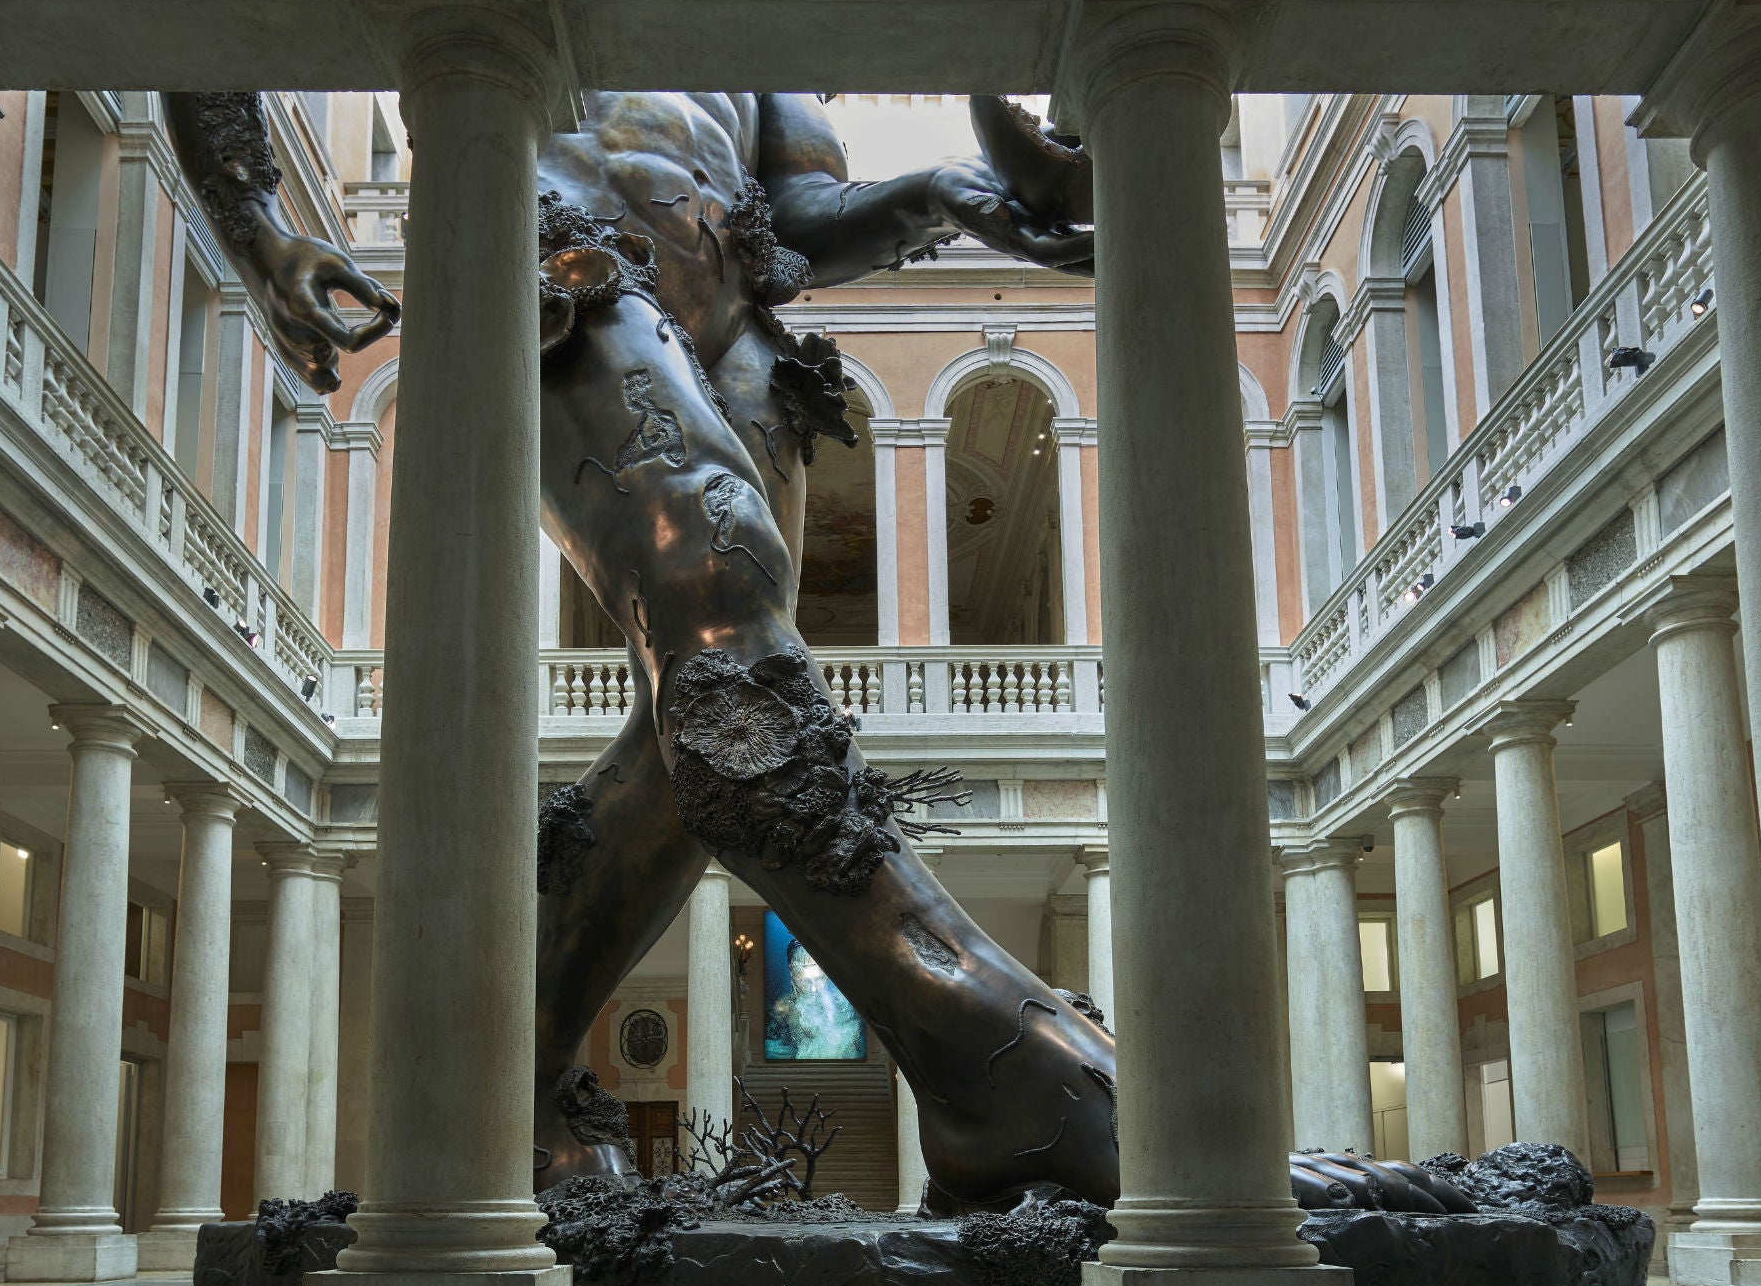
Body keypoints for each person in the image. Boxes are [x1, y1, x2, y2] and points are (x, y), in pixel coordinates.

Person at [170, 88, 1460, 1218]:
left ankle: (495, 1099)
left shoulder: (762, 32)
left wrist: (944, 196)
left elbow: (794, 217)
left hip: (739, 345)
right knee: (722, 633)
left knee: (694, 748)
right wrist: (261, 221)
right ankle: (1009, 1067)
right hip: (558, 259)